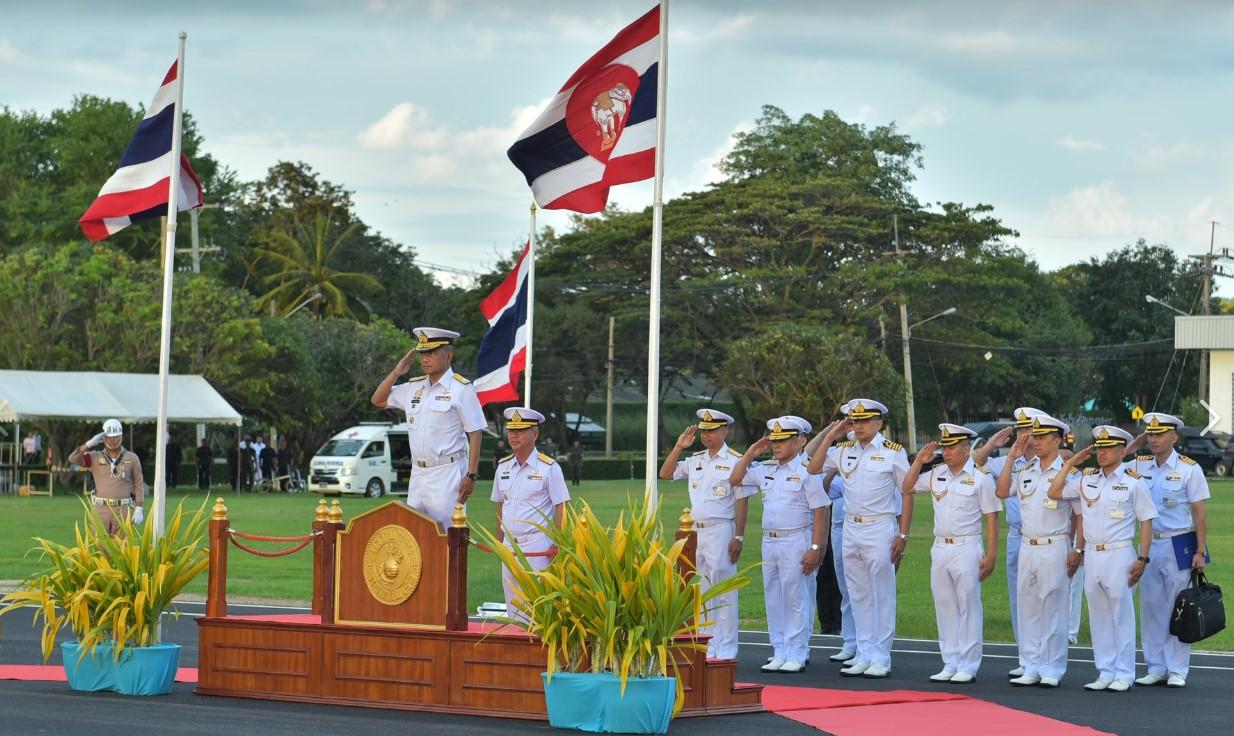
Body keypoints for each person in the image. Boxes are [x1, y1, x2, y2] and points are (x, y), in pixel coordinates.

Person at [1049, 425, 1157, 692]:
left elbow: (1146, 521)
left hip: (1119, 552)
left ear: (1122, 451)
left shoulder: (1133, 481)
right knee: (1098, 615)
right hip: (1093, 554)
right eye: (1099, 448)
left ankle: (1124, 673)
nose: (1102, 453)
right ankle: (1105, 670)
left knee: (1121, 615)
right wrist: (1071, 462)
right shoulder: (1087, 479)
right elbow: (1054, 492)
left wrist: (1143, 558)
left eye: (1108, 448)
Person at [807, 399, 908, 679]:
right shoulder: (843, 451)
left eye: (864, 421)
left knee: (881, 594)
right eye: (854, 420)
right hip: (851, 528)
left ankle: (881, 656)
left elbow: (907, 491)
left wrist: (903, 533)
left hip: (880, 526)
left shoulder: (892, 453)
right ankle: (864, 653)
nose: (858, 425)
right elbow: (813, 466)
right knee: (858, 593)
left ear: (879, 423)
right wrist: (831, 435)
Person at [732, 415, 830, 674]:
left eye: (783, 440)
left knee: (796, 598)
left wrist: (816, 548)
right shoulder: (766, 469)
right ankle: (779, 650)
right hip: (770, 541)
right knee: (774, 598)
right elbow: (735, 479)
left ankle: (797, 652)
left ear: (800, 442)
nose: (776, 445)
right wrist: (751, 453)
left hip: (796, 539)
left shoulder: (807, 472)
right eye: (774, 440)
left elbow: (821, 509)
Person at [903, 424, 1000, 684]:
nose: (947, 452)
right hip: (940, 547)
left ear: (967, 449)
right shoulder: (936, 473)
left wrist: (991, 554)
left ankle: (968, 664)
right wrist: (918, 462)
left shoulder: (980, 477)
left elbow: (991, 518)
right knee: (944, 604)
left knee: (968, 605)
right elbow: (908, 486)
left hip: (967, 546)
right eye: (944, 447)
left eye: (952, 447)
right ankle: (950, 661)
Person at [658, 409, 758, 661]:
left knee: (723, 589)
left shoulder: (736, 460)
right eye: (704, 430)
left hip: (721, 528)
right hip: (695, 532)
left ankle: (726, 649)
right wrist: (679, 447)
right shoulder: (696, 459)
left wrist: (740, 537)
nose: (706, 435)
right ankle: (707, 645)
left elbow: (743, 502)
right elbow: (666, 473)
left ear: (725, 432)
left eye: (712, 431)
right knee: (702, 591)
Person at [995, 414, 1084, 688]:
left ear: (1057, 440)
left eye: (1043, 437)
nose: (1036, 441)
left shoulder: (1069, 472)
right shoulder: (1025, 471)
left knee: (1054, 608)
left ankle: (1052, 667)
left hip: (1055, 544)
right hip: (1027, 544)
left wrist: (1078, 549)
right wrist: (1011, 458)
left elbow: (1081, 515)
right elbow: (1000, 492)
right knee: (1028, 607)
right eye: (1035, 436)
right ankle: (1031, 664)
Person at [1124, 413, 1210, 688]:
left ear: (1174, 437)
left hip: (1178, 541)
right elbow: (1110, 467)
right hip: (1149, 543)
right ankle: (1156, 665)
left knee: (1178, 606)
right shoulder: (1140, 464)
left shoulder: (1189, 469)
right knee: (1150, 606)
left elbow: (1199, 513)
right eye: (1150, 434)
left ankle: (1177, 669)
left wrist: (1200, 550)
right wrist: (1130, 449)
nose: (1153, 439)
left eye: (1160, 435)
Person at [372, 327, 485, 529]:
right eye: (423, 353)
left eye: (432, 353)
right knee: (414, 537)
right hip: (418, 473)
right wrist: (397, 372)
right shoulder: (413, 387)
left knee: (447, 536)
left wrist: (471, 475)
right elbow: (378, 400)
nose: (425, 358)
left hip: (447, 472)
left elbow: (475, 432)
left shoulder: (461, 389)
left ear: (448, 355)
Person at [972, 408, 1041, 677]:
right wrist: (992, 445)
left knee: (1044, 600)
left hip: (1045, 536)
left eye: (1030, 431)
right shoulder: (1006, 461)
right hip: (1017, 535)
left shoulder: (1049, 461)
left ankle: (1043, 660)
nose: (1025, 436)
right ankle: (1026, 659)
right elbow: (974, 465)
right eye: (1021, 430)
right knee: (1019, 600)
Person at [492, 408, 569, 622]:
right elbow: (500, 505)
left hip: (538, 546)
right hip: (510, 546)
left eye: (521, 431)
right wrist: (499, 540)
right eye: (511, 431)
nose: (514, 436)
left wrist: (560, 544)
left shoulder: (549, 468)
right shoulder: (503, 467)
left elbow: (562, 507)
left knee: (538, 609)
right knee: (513, 607)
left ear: (535, 434)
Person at [67, 419, 144, 535]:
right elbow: (73, 459)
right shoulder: (95, 457)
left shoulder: (132, 458)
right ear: (103, 438)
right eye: (110, 437)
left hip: (122, 508)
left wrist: (139, 508)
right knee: (99, 546)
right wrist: (88, 445)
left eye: (117, 437)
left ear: (122, 437)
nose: (113, 440)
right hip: (101, 508)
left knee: (122, 548)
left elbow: (139, 484)